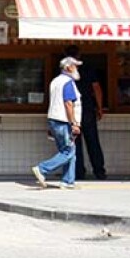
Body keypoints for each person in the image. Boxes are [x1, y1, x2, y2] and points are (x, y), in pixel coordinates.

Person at [33, 56, 83, 189]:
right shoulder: (67, 82)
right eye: (75, 66)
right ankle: (42, 169)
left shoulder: (55, 81)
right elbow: (68, 104)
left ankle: (68, 181)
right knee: (68, 151)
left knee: (68, 150)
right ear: (68, 67)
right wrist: (74, 123)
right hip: (63, 121)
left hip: (54, 119)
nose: (77, 69)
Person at [66, 46, 106, 180]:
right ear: (79, 55)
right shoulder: (88, 68)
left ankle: (78, 172)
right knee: (93, 141)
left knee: (75, 143)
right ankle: (99, 171)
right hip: (87, 109)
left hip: (71, 110)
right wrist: (100, 108)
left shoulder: (64, 70)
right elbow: (96, 88)